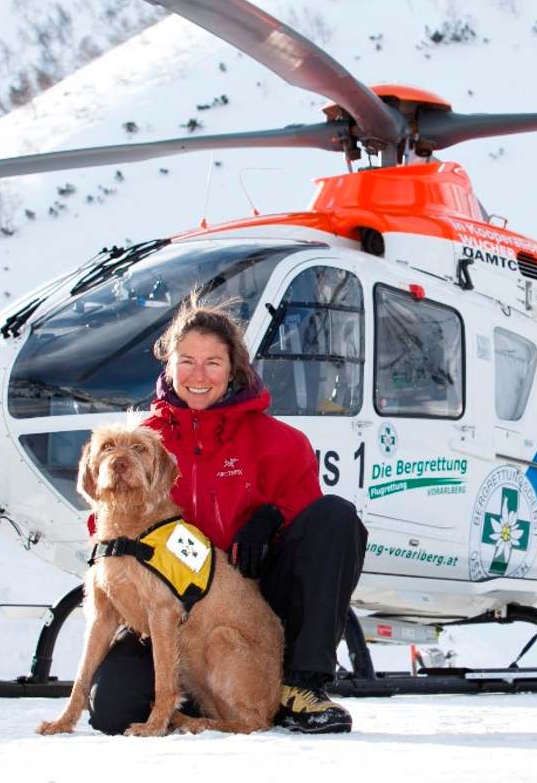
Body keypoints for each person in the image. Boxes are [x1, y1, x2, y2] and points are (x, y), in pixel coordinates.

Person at [88, 293, 368, 735]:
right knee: (113, 712)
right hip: (165, 604)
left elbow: (308, 512)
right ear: (169, 367)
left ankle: (301, 685)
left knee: (337, 517)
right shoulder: (142, 441)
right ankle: (200, 695)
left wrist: (273, 516)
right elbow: (104, 520)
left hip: (251, 600)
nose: (199, 376)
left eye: (213, 363)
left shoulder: (280, 441)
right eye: (187, 361)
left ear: (234, 368)